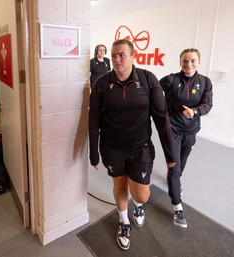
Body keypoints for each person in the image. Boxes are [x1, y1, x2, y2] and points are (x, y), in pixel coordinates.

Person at [88, 39, 177, 250]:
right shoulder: (101, 83)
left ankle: (137, 207)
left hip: (140, 147)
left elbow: (161, 119)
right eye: (113, 55)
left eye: (122, 55)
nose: (117, 59)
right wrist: (93, 153)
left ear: (132, 56)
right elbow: (93, 121)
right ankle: (123, 221)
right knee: (119, 185)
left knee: (142, 194)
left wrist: (171, 154)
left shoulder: (148, 79)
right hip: (112, 147)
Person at [159, 48, 213, 228]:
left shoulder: (205, 82)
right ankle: (177, 206)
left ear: (199, 62)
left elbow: (208, 104)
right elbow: (154, 93)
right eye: (185, 61)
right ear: (180, 62)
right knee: (174, 165)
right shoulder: (171, 79)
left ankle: (175, 177)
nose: (188, 65)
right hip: (173, 130)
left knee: (182, 162)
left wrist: (195, 111)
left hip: (191, 130)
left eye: (193, 61)